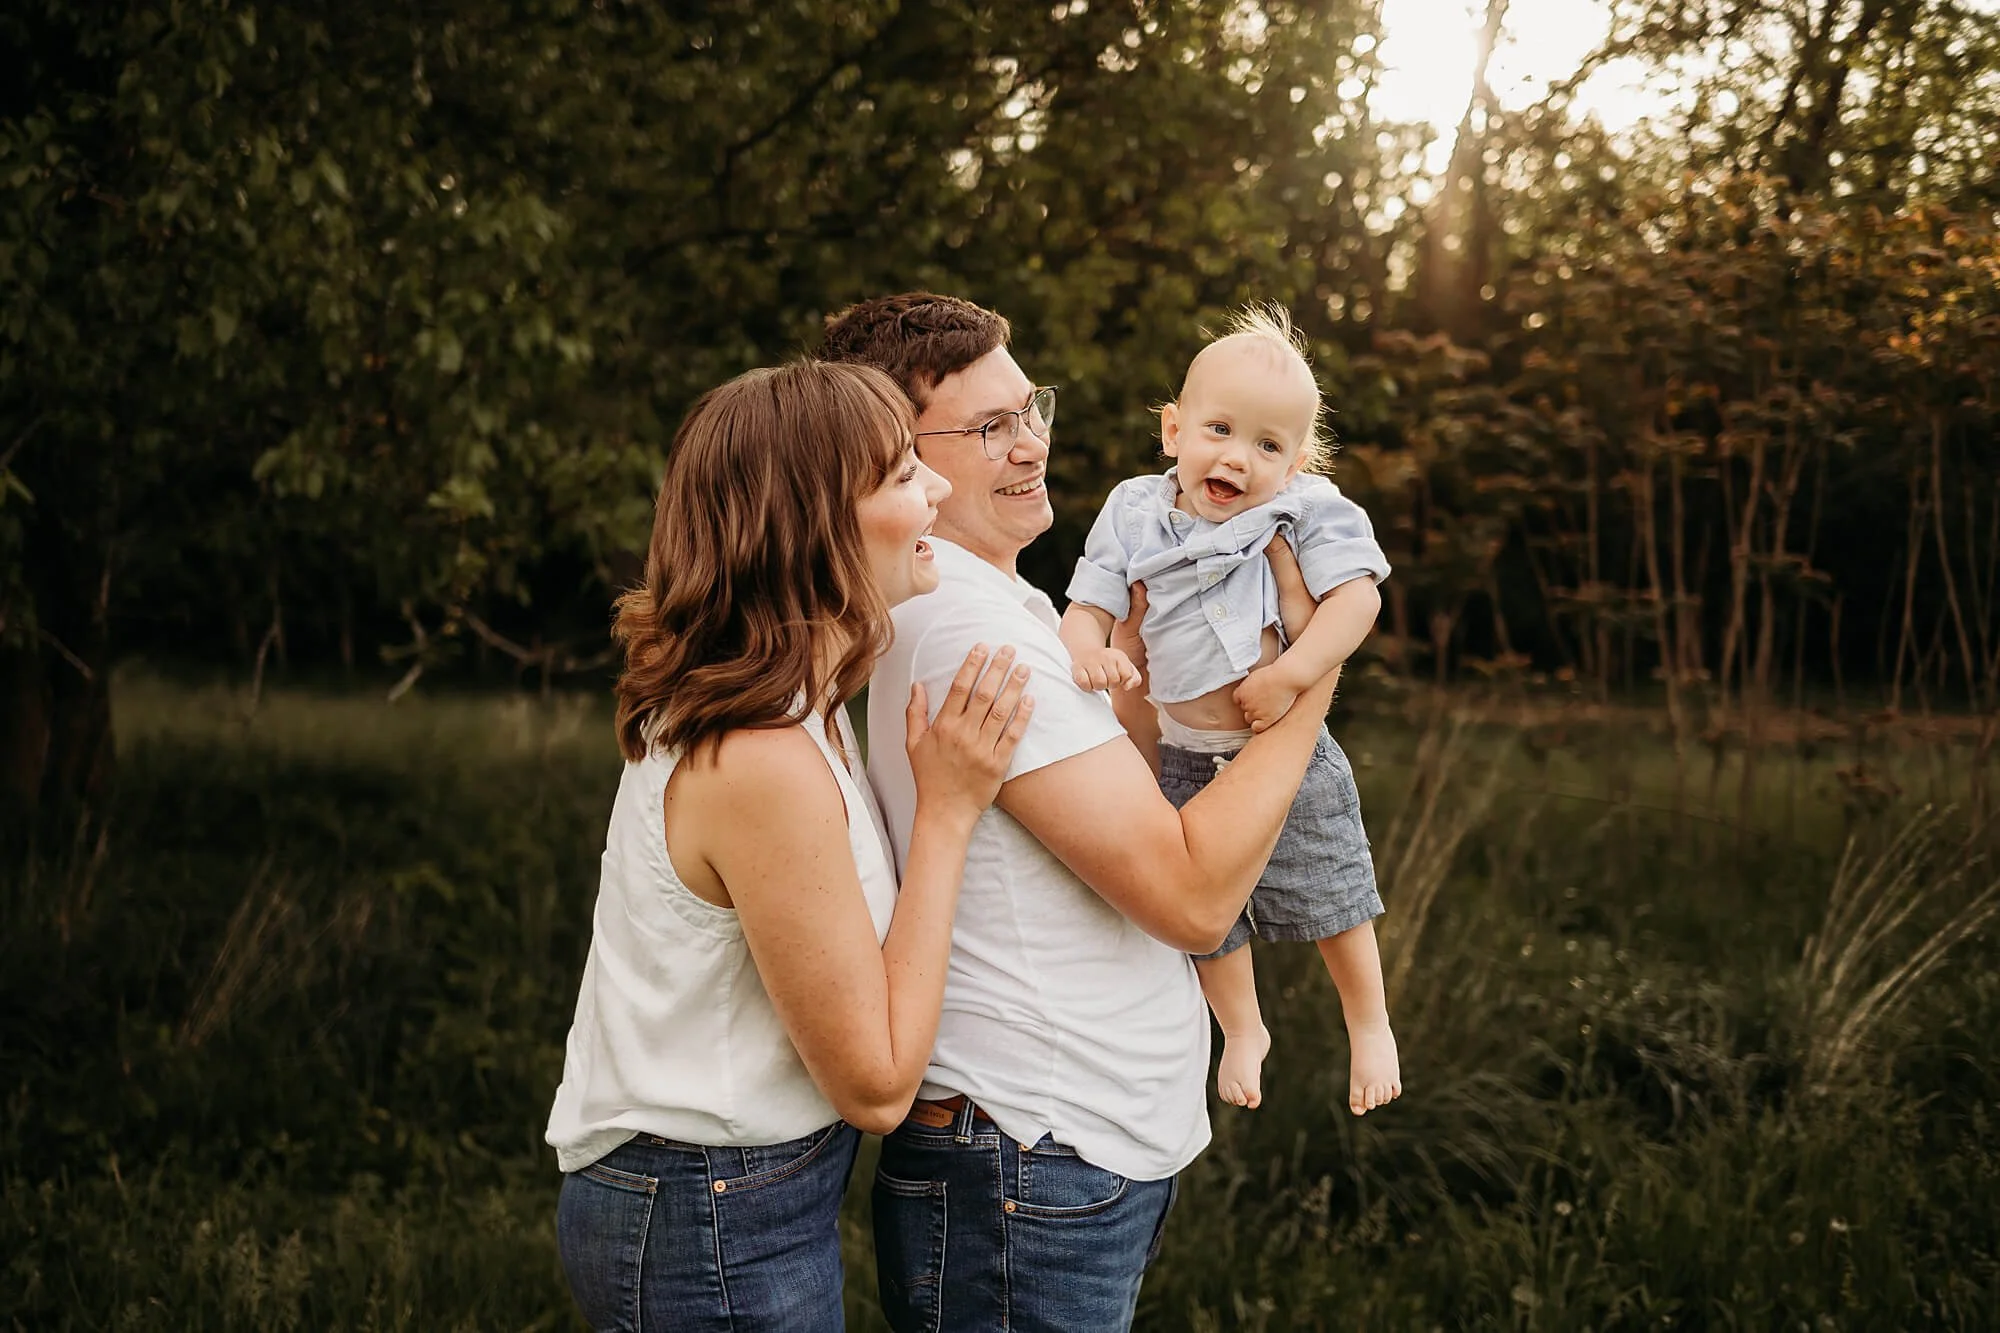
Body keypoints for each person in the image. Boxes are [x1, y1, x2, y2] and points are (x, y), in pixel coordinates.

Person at [820, 294, 1347, 1332]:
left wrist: (1151, 674)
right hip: (1027, 1159)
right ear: (893, 456)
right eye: (987, 429)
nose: (1030, 447)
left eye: (1030, 410)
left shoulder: (1006, 606)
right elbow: (1193, 896)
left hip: (1052, 1158)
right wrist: (1307, 672)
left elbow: (1127, 802)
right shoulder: (976, 636)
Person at [545, 360, 1036, 1333]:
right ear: (813, 526)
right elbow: (878, 1083)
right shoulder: (761, 759)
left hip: (724, 1197)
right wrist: (945, 814)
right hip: (706, 1211)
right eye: (902, 474)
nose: (936, 488)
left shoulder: (795, 698)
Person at [1058, 304, 1401, 1117]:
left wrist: (1295, 677)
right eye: (1219, 429)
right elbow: (1087, 604)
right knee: (1207, 914)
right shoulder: (1134, 511)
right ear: (1173, 429)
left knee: (1334, 887)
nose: (1239, 458)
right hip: (1183, 749)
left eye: (1269, 445)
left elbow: (1357, 601)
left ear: (1298, 461)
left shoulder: (1305, 508)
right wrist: (1091, 652)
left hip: (1282, 742)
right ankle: (1242, 1027)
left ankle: (1370, 1020)